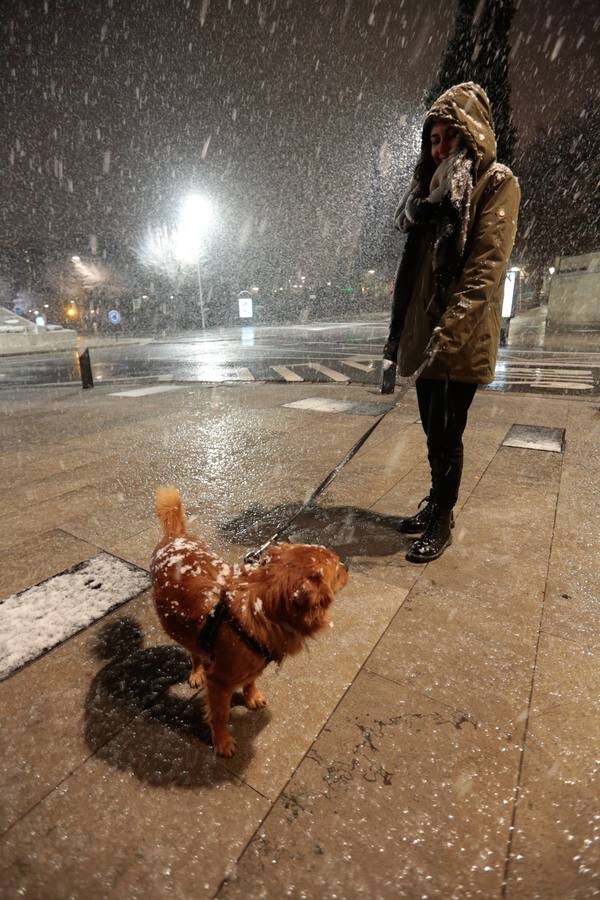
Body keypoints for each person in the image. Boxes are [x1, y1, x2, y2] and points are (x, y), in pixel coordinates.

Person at [383, 82, 520, 563]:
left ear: (469, 135)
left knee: (447, 430)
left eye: (448, 137)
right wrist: (404, 333)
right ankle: (434, 502)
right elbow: (413, 269)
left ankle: (443, 518)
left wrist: (451, 328)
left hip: (458, 335)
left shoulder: (494, 182)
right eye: (433, 139)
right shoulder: (424, 194)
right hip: (425, 332)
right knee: (429, 428)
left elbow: (487, 264)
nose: (439, 147)